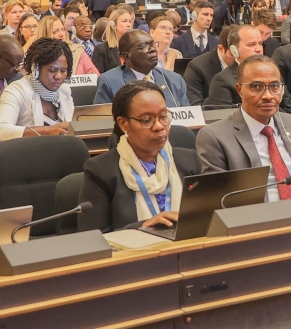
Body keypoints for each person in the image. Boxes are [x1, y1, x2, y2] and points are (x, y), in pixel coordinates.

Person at [78, 81, 201, 233]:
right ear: (123, 124)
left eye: (163, 116)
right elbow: (92, 236)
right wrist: (143, 226)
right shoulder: (101, 171)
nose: (159, 126)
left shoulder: (189, 161)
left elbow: (209, 215)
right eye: (147, 120)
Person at [195, 55, 291, 198]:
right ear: (239, 90)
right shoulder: (214, 136)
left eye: (274, 86)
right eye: (256, 87)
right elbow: (221, 198)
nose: (268, 96)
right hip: (259, 209)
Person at [0, 38, 74, 140]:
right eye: (52, 70)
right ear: (35, 68)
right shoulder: (16, 90)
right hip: (27, 149)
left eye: (63, 70)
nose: (58, 76)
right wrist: (48, 131)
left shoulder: (64, 91)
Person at [206, 25, 291, 113]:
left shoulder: (273, 74)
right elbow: (225, 117)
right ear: (234, 50)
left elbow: (290, 109)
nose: (258, 49)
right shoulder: (222, 80)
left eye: (260, 43)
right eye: (252, 44)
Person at [94, 30, 189, 108]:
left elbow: (188, 120)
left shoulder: (175, 80)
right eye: (143, 46)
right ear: (126, 57)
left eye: (152, 44)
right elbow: (104, 122)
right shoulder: (109, 82)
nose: (152, 49)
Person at [29, 15, 100, 76]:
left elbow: (95, 75)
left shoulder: (77, 50)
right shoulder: (36, 55)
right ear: (44, 34)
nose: (61, 34)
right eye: (55, 31)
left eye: (63, 30)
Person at [184, 27, 234, 106]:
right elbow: (196, 106)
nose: (238, 58)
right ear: (221, 48)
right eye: (233, 54)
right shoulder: (197, 67)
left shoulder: (249, 65)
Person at [93, 6, 135, 74]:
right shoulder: (101, 49)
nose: (128, 25)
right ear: (113, 25)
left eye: (130, 21)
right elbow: (99, 76)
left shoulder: (136, 47)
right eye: (124, 21)